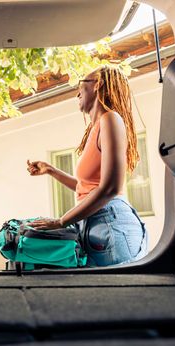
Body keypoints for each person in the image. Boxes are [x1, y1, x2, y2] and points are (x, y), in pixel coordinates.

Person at [26, 65, 148, 267]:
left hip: (110, 221)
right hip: (95, 222)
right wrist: (52, 170)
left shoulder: (110, 119)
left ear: (98, 84)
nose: (77, 92)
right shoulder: (97, 127)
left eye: (81, 83)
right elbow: (89, 187)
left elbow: (110, 189)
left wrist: (60, 222)